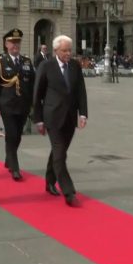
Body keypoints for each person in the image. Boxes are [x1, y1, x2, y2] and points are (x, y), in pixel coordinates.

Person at [33, 35, 88, 207]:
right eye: (64, 50)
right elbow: (37, 94)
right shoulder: (46, 66)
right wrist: (38, 120)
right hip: (52, 117)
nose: (68, 53)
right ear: (56, 50)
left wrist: (83, 114)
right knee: (60, 153)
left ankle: (49, 181)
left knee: (59, 152)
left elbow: (81, 91)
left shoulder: (75, 66)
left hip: (70, 117)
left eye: (70, 50)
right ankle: (69, 192)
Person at [0, 28, 36, 181]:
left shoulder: (27, 62)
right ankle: (15, 168)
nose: (15, 45)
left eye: (17, 42)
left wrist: (34, 105)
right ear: (6, 44)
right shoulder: (0, 62)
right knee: (11, 134)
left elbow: (33, 85)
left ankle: (8, 158)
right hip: (7, 105)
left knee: (18, 136)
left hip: (23, 106)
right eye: (12, 42)